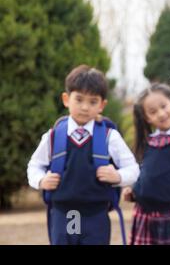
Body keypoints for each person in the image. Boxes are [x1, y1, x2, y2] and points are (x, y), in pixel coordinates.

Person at [27, 64, 139, 245]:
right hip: (62, 214)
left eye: (93, 101)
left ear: (102, 105)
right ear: (66, 99)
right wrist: (41, 180)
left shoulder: (110, 137)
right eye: (79, 99)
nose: (85, 107)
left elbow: (133, 169)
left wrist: (117, 176)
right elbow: (34, 165)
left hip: (96, 215)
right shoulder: (53, 136)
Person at [123, 83, 170, 245]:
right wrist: (134, 190)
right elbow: (147, 174)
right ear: (146, 118)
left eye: (164, 106)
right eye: (153, 112)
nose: (161, 114)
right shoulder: (147, 143)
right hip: (143, 215)